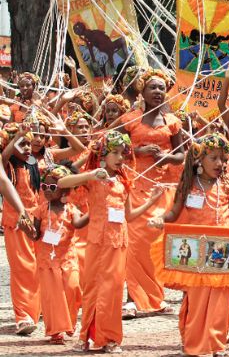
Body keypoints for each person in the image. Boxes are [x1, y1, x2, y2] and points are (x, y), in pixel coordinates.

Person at [148, 133, 229, 357]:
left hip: (223, 247)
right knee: (197, 299)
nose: (220, 164)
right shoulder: (187, 185)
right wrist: (160, 218)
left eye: (223, 159)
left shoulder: (226, 184)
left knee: (222, 298)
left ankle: (217, 344)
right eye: (214, 158)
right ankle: (195, 343)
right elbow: (173, 212)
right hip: (197, 250)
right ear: (199, 161)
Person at [59, 130, 161, 353]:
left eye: (122, 154)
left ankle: (110, 339)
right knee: (92, 289)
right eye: (115, 153)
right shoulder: (94, 178)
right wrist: (90, 175)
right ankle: (86, 337)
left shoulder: (123, 183)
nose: (120, 158)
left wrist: (152, 202)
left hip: (118, 243)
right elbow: (62, 181)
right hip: (96, 241)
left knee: (113, 290)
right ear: (103, 155)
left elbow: (130, 215)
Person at [114, 68, 184, 318]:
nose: (157, 91)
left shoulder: (173, 122)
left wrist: (166, 156)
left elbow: (183, 154)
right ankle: (133, 298)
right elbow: (111, 151)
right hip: (136, 186)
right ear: (141, 91)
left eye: (161, 88)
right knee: (135, 244)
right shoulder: (129, 120)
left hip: (163, 190)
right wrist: (138, 152)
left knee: (158, 243)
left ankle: (156, 297)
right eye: (152, 87)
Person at [20, 163, 83, 344]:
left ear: (65, 190)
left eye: (52, 187)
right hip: (47, 261)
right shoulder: (41, 209)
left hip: (68, 258)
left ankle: (69, 323)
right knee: (52, 296)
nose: (47, 190)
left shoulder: (71, 210)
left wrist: (95, 212)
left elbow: (78, 225)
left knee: (72, 289)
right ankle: (56, 331)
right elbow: (35, 235)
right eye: (44, 186)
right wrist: (27, 230)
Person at [1, 123, 41, 335]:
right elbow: (4, 156)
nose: (27, 148)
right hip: (15, 222)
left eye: (28, 143)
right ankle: (23, 316)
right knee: (22, 269)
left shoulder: (34, 163)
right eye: (21, 144)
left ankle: (35, 311)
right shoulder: (6, 165)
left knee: (37, 268)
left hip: (37, 222)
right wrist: (19, 134)